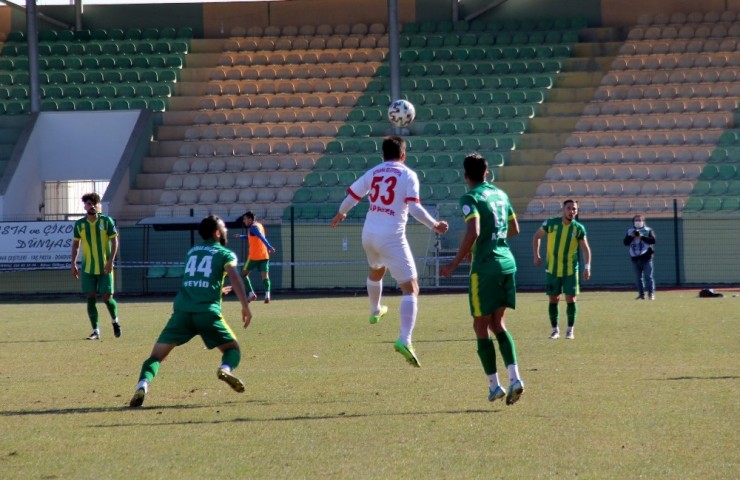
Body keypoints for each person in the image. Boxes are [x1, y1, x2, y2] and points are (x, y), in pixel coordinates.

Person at [330, 135, 448, 367]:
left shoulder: (374, 172)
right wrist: (434, 224)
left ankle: (375, 309)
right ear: (403, 155)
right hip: (391, 236)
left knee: (376, 268)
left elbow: (353, 196)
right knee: (411, 288)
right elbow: (413, 207)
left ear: (382, 155)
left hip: (369, 234)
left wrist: (341, 213)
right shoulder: (408, 174)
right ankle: (405, 339)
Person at [129, 215, 252, 408]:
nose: (226, 231)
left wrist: (217, 289)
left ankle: (143, 385)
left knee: (155, 357)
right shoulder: (225, 254)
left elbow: (195, 279)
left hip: (182, 313)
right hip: (207, 313)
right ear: (218, 233)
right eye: (224, 228)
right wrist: (245, 306)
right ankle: (225, 369)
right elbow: (235, 277)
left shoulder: (192, 252)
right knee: (232, 349)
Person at [440, 153, 524, 405]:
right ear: (487, 173)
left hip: (485, 268)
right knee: (498, 323)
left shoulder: (470, 197)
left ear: (466, 176)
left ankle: (494, 386)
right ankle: (515, 378)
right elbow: (514, 229)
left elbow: (473, 229)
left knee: (480, 326)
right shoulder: (501, 195)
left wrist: (455, 262)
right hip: (507, 263)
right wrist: (493, 242)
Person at [532, 199, 592, 340]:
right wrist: (536, 255)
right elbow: (537, 236)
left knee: (571, 298)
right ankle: (555, 330)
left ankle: (570, 330)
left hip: (570, 270)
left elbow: (586, 249)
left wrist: (587, 267)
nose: (572, 211)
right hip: (552, 269)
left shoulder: (578, 228)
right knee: (554, 299)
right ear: (563, 209)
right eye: (569, 208)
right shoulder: (551, 223)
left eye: (574, 209)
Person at [71, 192, 121, 340]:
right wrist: (73, 263)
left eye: (94, 203)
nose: (91, 206)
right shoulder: (80, 224)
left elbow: (115, 241)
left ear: (98, 205)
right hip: (88, 268)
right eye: (88, 204)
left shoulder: (106, 221)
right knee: (90, 297)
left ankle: (115, 321)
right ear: (84, 206)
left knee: (107, 297)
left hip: (105, 267)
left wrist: (111, 261)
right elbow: (75, 245)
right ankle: (96, 331)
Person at [233, 211, 276, 303]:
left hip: (253, 257)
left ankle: (251, 294)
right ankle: (267, 295)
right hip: (264, 255)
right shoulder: (259, 225)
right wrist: (240, 236)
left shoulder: (253, 227)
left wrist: (269, 246)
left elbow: (260, 236)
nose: (244, 221)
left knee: (243, 274)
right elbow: (253, 237)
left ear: (250, 219)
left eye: (245, 219)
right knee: (265, 276)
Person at [623, 214, 656, 300]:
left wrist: (641, 237)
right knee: (638, 278)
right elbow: (625, 242)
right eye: (636, 220)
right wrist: (632, 236)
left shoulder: (648, 230)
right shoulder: (630, 231)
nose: (638, 222)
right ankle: (641, 294)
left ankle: (651, 294)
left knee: (649, 277)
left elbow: (653, 241)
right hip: (635, 258)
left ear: (643, 221)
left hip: (646, 258)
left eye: (640, 220)